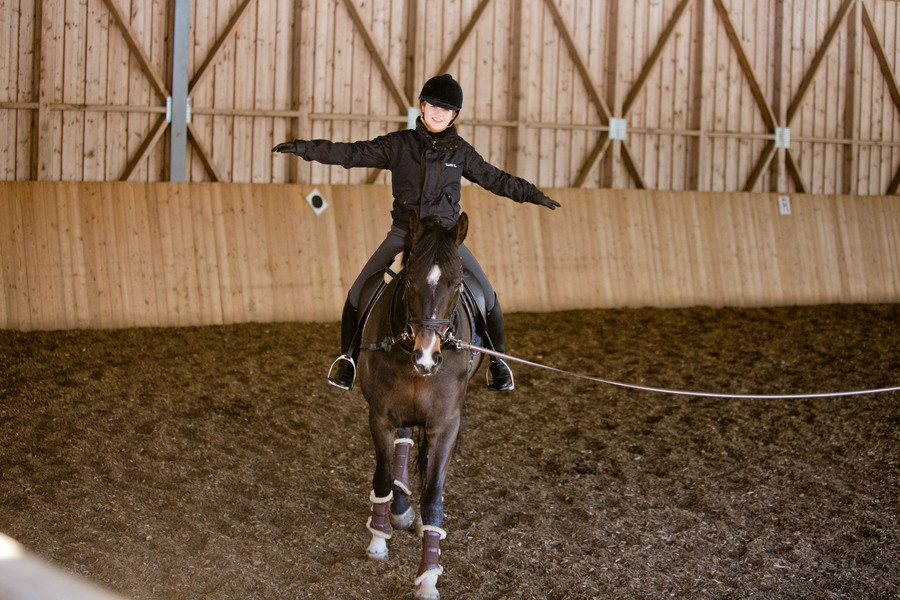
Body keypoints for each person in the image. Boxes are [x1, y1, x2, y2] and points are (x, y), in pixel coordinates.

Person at [273, 74, 559, 391]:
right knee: (357, 294)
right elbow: (353, 154)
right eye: (433, 105)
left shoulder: (461, 152)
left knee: (487, 297)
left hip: (446, 239)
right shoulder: (398, 145)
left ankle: (498, 362)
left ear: (454, 116)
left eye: (446, 109)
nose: (438, 112)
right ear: (422, 106)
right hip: (404, 235)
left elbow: (494, 178)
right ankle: (348, 360)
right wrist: (304, 148)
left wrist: (530, 193)